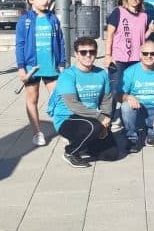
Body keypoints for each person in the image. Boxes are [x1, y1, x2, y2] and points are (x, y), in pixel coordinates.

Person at [48, 37, 120, 168]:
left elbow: (106, 100)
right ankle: (70, 152)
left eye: (92, 52)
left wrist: (106, 120)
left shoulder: (102, 74)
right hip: (67, 118)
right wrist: (100, 118)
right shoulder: (68, 75)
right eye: (83, 52)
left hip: (91, 118)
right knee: (93, 127)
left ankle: (85, 143)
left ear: (96, 53)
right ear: (76, 54)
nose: (88, 55)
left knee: (111, 154)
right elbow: (73, 104)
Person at [15, 0, 66, 147]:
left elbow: (60, 41)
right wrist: (21, 67)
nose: (45, 0)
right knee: (32, 98)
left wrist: (62, 63)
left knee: (59, 98)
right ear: (31, 0)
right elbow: (20, 45)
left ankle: (64, 129)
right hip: (32, 67)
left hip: (51, 66)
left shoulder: (53, 18)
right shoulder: (25, 20)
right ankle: (37, 133)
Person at [105, 0, 154, 107]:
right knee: (114, 91)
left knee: (133, 91)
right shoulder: (118, 12)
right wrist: (107, 55)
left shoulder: (144, 16)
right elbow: (110, 35)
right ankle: (108, 121)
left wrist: (149, 31)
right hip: (119, 60)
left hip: (136, 60)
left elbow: (139, 39)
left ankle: (129, 120)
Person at [120, 41, 154, 152]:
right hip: (138, 108)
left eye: (153, 53)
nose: (149, 56)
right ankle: (132, 138)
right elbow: (118, 94)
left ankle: (151, 134)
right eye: (145, 53)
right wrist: (128, 97)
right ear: (140, 54)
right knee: (126, 106)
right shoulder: (130, 71)